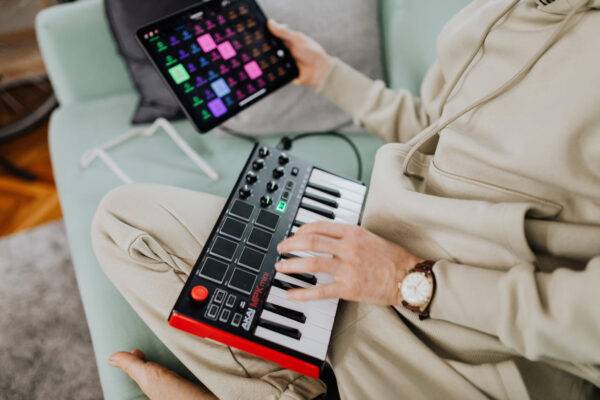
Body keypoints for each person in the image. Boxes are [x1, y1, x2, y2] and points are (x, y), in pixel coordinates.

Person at [91, 0, 600, 398]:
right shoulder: (498, 12)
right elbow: (437, 132)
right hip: (373, 245)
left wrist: (409, 281)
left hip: (474, 344)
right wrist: (327, 75)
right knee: (122, 220)